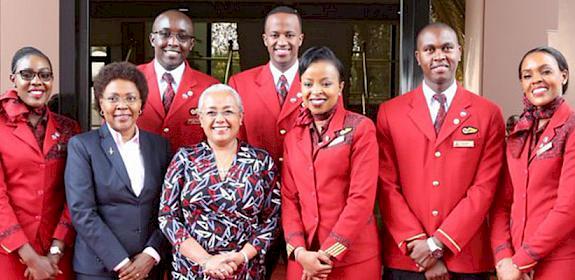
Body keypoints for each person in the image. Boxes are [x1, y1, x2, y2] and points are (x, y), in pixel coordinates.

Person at [377, 23, 505, 280]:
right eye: (429, 49)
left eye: (447, 48)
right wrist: (419, 246)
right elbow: (386, 186)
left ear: (459, 51)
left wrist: (437, 244)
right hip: (407, 258)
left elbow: (485, 188)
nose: (439, 55)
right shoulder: (391, 112)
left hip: (466, 257)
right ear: (418, 57)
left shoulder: (487, 113)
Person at [158, 84, 281, 279]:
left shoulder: (260, 161)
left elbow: (272, 219)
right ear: (201, 119)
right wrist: (206, 260)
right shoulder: (184, 159)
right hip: (192, 270)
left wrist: (240, 258)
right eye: (211, 112)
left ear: (240, 117)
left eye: (228, 112)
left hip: (243, 270)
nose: (220, 119)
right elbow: (167, 217)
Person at [281, 46, 381, 280]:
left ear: (340, 87)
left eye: (326, 83)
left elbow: (362, 199)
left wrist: (325, 255)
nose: (316, 91)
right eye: (308, 84)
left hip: (352, 260)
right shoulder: (293, 136)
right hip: (304, 261)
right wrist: (299, 252)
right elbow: (289, 198)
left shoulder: (360, 128)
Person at [65, 62, 170, 279]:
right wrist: (122, 263)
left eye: (130, 98)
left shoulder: (160, 146)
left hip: (149, 268)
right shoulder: (82, 146)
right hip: (99, 269)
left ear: (141, 104)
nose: (122, 105)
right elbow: (82, 212)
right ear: (100, 104)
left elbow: (169, 208)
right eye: (113, 98)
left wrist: (150, 255)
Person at [491, 47, 575, 280]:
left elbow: (569, 208)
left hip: (560, 262)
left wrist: (521, 261)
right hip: (515, 265)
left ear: (563, 76)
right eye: (527, 75)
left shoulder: (572, 127)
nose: (536, 80)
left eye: (545, 71)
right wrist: (504, 256)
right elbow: (501, 204)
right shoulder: (520, 131)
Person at [0, 47, 79, 280]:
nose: (37, 81)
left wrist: (56, 250)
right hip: (11, 251)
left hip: (58, 253)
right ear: (13, 78)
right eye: (27, 74)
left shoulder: (68, 128)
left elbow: (75, 193)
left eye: (45, 75)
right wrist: (31, 258)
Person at [228, 5, 305, 163]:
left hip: (306, 183)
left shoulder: (321, 83)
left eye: (289, 35)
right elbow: (234, 140)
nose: (282, 42)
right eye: (275, 35)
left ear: (300, 39)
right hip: (257, 180)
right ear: (265, 39)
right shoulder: (240, 84)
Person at [138, 9, 218, 154]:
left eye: (182, 37)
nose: (173, 43)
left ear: (191, 44)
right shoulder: (129, 80)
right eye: (165, 34)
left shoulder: (210, 88)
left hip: (190, 175)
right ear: (152, 39)